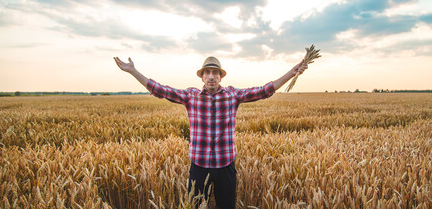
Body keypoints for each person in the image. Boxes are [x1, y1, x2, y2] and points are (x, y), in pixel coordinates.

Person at [113, 56, 307, 208]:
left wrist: (292, 72)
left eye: (215, 72)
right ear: (202, 77)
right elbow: (160, 90)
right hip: (199, 167)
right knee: (196, 207)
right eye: (207, 72)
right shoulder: (191, 96)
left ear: (221, 76)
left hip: (226, 167)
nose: (211, 76)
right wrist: (133, 71)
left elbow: (265, 90)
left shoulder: (233, 95)